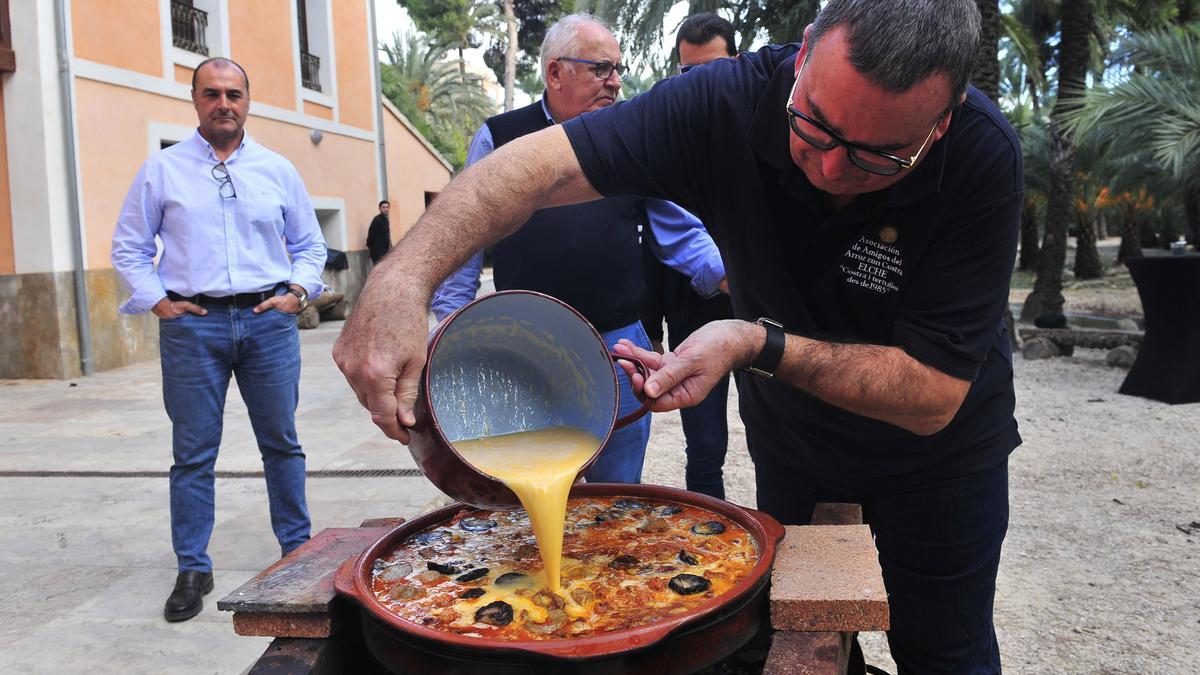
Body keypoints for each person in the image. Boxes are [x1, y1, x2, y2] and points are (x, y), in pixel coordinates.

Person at [335, 0, 1021, 671]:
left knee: (945, 650)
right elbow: (533, 165)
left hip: (941, 461)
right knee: (803, 631)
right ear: (806, 49)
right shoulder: (722, 101)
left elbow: (933, 391)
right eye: (816, 126)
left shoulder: (981, 157)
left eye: (882, 155)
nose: (834, 168)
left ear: (946, 115)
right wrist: (401, 282)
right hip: (796, 444)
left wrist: (755, 342)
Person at [429, 14, 725, 484]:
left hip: (618, 347)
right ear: (555, 73)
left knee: (615, 495)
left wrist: (739, 277)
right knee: (530, 484)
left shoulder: (633, 138)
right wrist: (449, 333)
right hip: (521, 350)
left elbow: (684, 235)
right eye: (601, 69)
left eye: (618, 70)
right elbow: (462, 246)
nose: (615, 82)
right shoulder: (502, 137)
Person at [111, 57, 327, 623]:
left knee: (281, 442)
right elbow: (129, 246)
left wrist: (297, 293)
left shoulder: (278, 170)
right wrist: (158, 301)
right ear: (195, 100)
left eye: (233, 93)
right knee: (193, 453)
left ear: (248, 100)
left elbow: (310, 245)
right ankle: (192, 566)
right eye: (212, 93)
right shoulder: (162, 170)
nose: (223, 103)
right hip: (193, 325)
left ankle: (296, 551)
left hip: (266, 321)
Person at [644, 12, 741, 500]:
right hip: (695, 315)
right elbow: (679, 237)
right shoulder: (666, 144)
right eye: (689, 73)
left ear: (738, 65)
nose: (700, 85)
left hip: (763, 314)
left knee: (779, 440)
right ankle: (714, 546)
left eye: (714, 70)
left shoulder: (764, 133)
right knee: (704, 447)